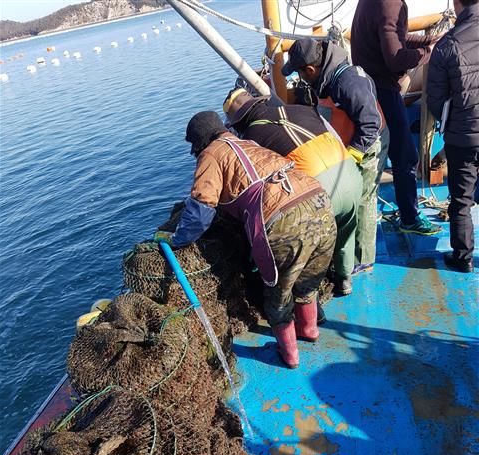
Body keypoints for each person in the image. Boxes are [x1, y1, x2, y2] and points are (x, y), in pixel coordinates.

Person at [157, 111, 336, 368]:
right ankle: (309, 330)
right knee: (308, 279)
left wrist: (178, 240)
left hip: (283, 219)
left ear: (199, 142)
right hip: (319, 201)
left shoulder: (210, 155)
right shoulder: (248, 143)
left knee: (279, 293)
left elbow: (201, 210)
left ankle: (290, 355)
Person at [223, 87, 362, 295]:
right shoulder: (300, 109)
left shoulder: (251, 137)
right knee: (346, 229)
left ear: (239, 122)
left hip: (319, 191)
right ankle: (345, 279)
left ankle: (309, 294)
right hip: (350, 174)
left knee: (309, 242)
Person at [282, 37, 389, 273]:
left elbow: (371, 123)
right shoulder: (327, 78)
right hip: (347, 141)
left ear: (310, 69)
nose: (299, 79)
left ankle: (362, 259)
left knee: (361, 199)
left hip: (368, 144)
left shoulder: (348, 82)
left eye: (300, 73)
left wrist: (354, 156)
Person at [351, 0, 442, 236]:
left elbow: (389, 38)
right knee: (406, 157)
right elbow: (395, 57)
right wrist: (426, 53)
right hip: (382, 89)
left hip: (368, 86)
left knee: (390, 153)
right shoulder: (389, 4)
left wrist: (426, 40)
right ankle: (410, 218)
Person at [427, 0, 478, 273]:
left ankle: (463, 258)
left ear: (456, 4)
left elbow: (435, 101)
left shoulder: (447, 45)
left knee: (461, 200)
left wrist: (449, 124)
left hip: (463, 136)